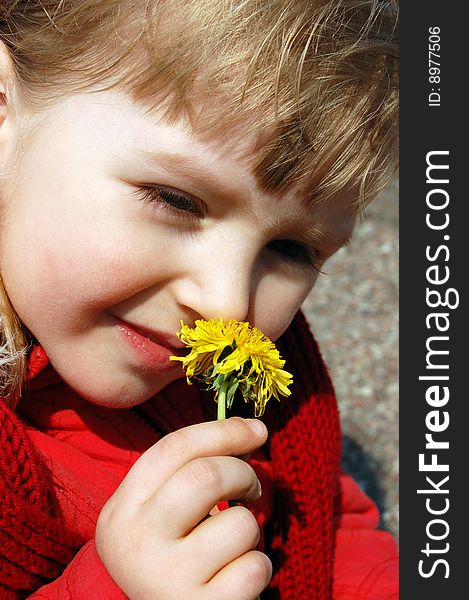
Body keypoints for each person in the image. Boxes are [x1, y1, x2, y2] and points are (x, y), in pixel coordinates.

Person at [0, 1, 398, 598]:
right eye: (176, 199)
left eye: (290, 249)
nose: (226, 304)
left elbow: (327, 521)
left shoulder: (239, 388)